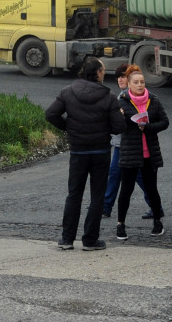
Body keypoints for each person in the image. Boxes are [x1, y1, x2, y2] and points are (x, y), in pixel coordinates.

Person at [46, 57, 125, 251]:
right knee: (97, 196)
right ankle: (90, 240)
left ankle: (66, 239)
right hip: (100, 151)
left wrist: (69, 129)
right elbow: (119, 127)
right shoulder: (109, 96)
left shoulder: (67, 92)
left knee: (74, 194)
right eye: (103, 70)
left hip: (78, 150)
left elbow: (51, 114)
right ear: (98, 73)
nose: (104, 73)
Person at [115, 64, 169, 240]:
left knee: (151, 188)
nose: (140, 85)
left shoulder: (153, 100)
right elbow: (115, 125)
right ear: (129, 84)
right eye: (136, 82)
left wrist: (148, 127)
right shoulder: (122, 101)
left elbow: (165, 121)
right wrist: (123, 118)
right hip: (130, 152)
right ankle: (120, 224)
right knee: (126, 190)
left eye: (142, 82)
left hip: (149, 152)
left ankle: (157, 221)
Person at [103, 64, 160, 220]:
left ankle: (155, 206)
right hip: (121, 143)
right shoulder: (120, 98)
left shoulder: (144, 99)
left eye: (123, 76)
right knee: (116, 174)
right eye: (119, 77)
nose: (120, 79)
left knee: (136, 177)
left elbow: (162, 120)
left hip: (131, 145)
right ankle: (106, 206)